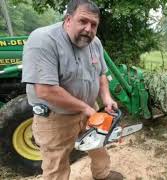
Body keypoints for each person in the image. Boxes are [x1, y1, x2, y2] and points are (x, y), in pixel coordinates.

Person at [22, 0, 123, 179]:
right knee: (56, 164)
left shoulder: (95, 42)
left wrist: (106, 99)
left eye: (93, 24)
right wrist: (86, 109)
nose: (88, 29)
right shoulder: (43, 40)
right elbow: (46, 90)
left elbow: (101, 74)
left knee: (98, 146)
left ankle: (103, 174)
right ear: (68, 20)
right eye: (82, 21)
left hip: (88, 110)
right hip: (55, 117)